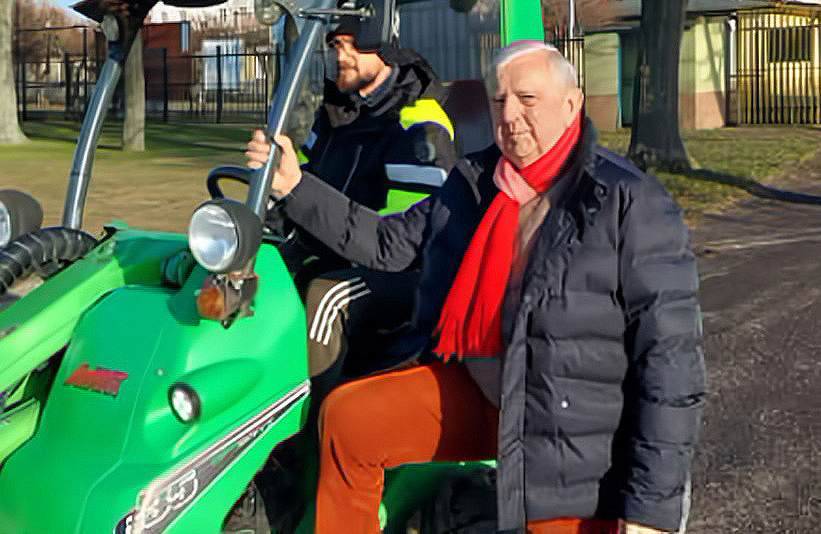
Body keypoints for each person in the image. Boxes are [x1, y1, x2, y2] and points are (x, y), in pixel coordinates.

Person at [247, 42, 705, 534]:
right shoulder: (474, 183)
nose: (509, 115)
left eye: (527, 99)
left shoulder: (627, 202)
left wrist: (650, 511)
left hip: (566, 420)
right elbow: (387, 244)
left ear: (572, 105)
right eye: (498, 100)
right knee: (346, 420)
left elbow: (670, 361)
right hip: (481, 386)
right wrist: (295, 187)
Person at [273, 26, 457, 380]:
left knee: (327, 298)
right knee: (256, 271)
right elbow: (303, 190)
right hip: (341, 253)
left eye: (354, 46)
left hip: (410, 274)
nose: (341, 57)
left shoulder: (420, 126)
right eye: (336, 45)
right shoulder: (335, 117)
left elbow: (397, 246)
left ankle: (315, 427)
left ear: (385, 46)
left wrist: (296, 189)